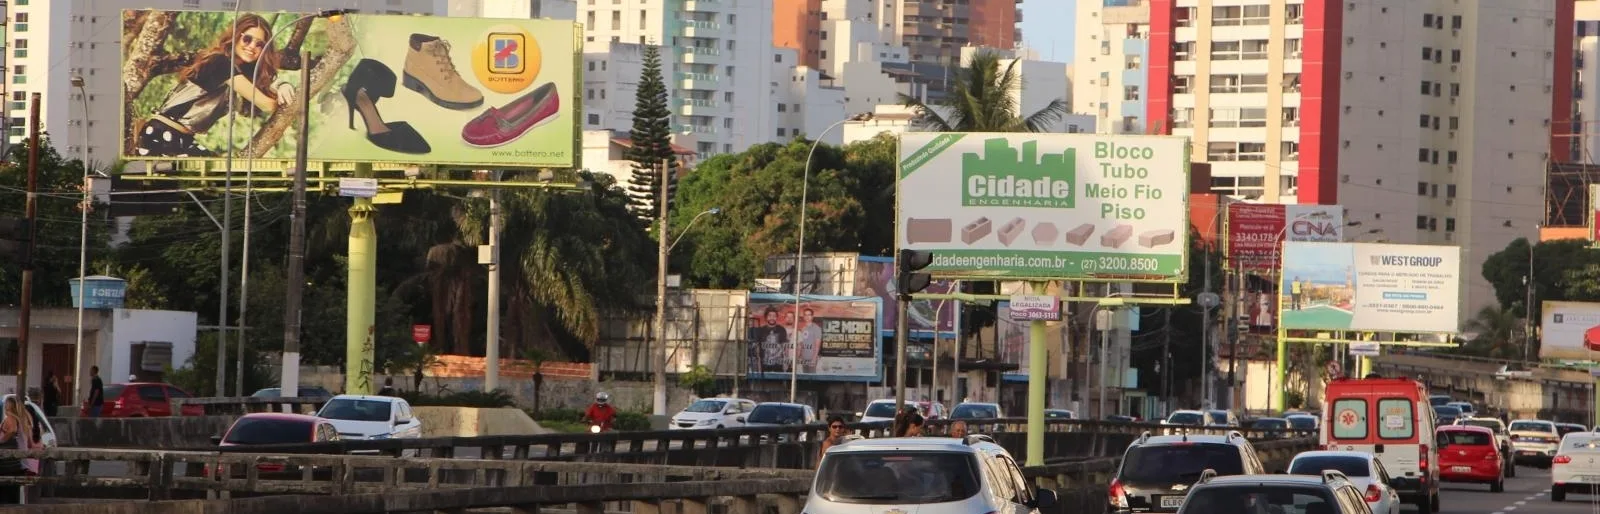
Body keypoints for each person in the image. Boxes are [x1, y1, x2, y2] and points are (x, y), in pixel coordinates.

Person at [133, 13, 295, 157]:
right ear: (236, 36)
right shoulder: (220, 63)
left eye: (260, 44)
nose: (252, 46)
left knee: (218, 180)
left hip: (179, 138)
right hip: (162, 136)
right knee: (220, 180)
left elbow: (265, 82)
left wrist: (283, 85)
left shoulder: (235, 69)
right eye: (247, 39)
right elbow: (267, 105)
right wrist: (286, 98)